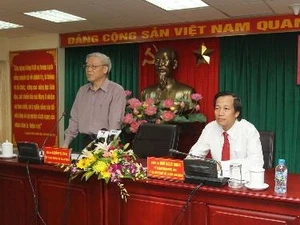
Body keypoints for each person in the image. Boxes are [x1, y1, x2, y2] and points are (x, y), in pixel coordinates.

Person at [188, 91, 264, 179]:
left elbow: (257, 163)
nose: (220, 113)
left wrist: (221, 165)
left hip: (241, 183)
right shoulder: (210, 128)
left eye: (226, 109)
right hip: (217, 182)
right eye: (217, 108)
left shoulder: (249, 130)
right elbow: (193, 156)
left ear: (236, 113)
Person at [62, 52, 126, 149]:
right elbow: (74, 119)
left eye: (93, 67)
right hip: (86, 143)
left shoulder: (116, 90)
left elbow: (115, 122)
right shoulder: (82, 91)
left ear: (105, 69)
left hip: (106, 145)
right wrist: (65, 144)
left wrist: (109, 147)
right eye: (87, 66)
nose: (88, 70)